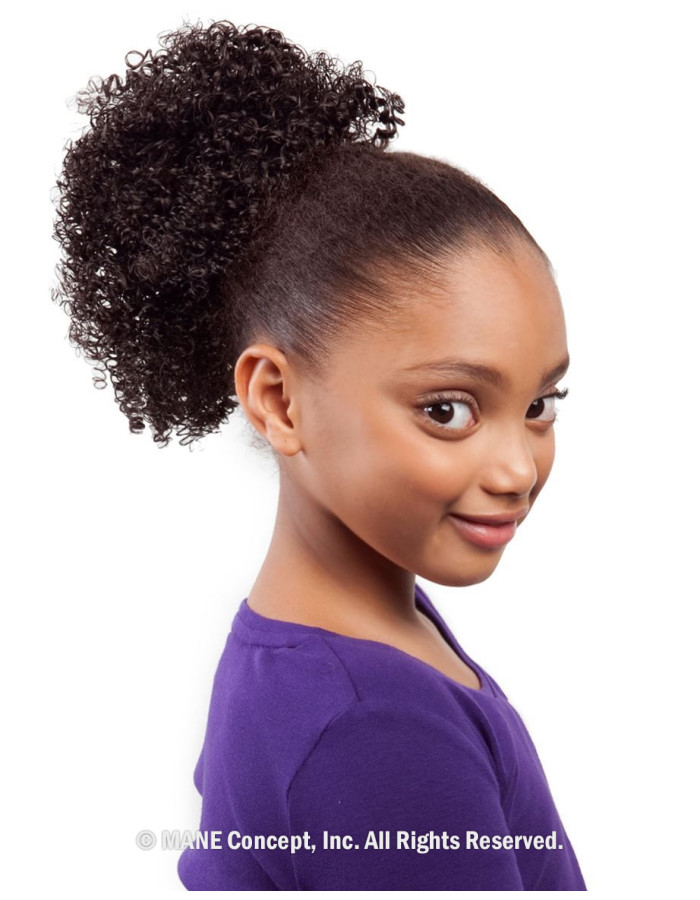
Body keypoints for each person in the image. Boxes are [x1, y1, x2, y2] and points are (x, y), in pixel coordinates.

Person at [51, 18, 586, 891]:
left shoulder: (333, 640)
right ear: (278, 400)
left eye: (539, 406)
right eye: (448, 410)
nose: (518, 470)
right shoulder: (372, 727)